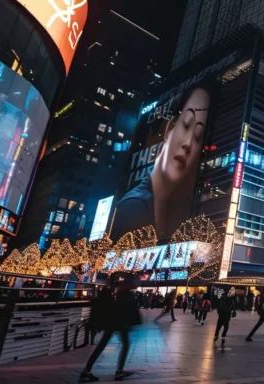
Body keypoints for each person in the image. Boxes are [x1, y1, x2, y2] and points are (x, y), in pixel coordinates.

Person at [110, 82, 214, 241]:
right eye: (186, 125)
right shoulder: (133, 207)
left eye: (198, 136)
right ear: (168, 129)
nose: (188, 144)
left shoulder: (175, 212)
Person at [79, 272, 142, 382]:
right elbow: (129, 310)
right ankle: (119, 371)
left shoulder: (111, 290)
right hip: (120, 323)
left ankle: (87, 371)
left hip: (111, 322)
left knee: (102, 345)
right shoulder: (125, 293)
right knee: (125, 345)